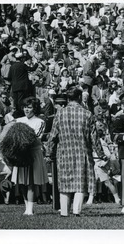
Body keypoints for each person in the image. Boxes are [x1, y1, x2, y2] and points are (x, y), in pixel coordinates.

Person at [46, 86, 107, 217]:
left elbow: (52, 136)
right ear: (79, 98)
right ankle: (76, 211)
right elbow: (94, 138)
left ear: (68, 98)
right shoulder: (87, 114)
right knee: (80, 183)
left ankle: (64, 212)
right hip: (82, 154)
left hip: (64, 153)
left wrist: (49, 153)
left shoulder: (59, 114)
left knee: (65, 182)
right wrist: (101, 154)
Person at [12, 96, 48, 215]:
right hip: (21, 154)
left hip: (33, 153)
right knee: (22, 182)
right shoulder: (18, 121)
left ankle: (30, 209)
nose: (26, 110)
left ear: (34, 108)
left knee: (31, 182)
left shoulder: (40, 122)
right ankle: (27, 207)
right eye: (25, 107)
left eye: (29, 107)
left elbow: (37, 138)